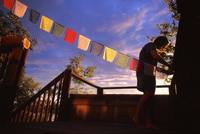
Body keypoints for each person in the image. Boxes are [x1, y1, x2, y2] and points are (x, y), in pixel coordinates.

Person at [134, 36, 172, 129]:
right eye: (164, 45)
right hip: (144, 74)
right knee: (148, 94)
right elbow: (155, 56)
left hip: (149, 74)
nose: (164, 48)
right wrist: (168, 64)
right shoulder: (150, 46)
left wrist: (166, 71)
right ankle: (136, 117)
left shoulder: (152, 50)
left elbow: (154, 66)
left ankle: (148, 122)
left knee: (149, 99)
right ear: (161, 43)